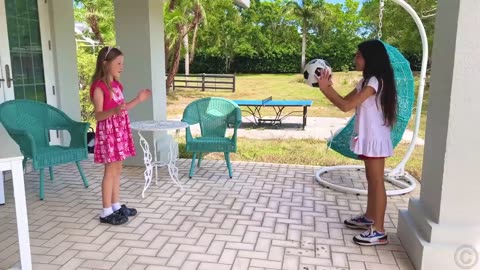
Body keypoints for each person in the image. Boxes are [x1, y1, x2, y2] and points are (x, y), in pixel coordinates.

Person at [317, 39, 397, 246]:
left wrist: (325, 89)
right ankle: (370, 217)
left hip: (375, 140)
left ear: (370, 59)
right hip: (368, 138)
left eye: (358, 55)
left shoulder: (374, 82)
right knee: (372, 180)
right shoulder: (365, 82)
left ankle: (379, 230)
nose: (355, 58)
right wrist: (329, 88)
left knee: (377, 181)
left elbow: (346, 106)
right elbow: (344, 100)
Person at [90, 46, 152, 225]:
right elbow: (99, 115)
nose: (121, 66)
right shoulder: (99, 88)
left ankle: (116, 205)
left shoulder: (117, 85)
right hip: (109, 133)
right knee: (110, 171)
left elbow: (122, 109)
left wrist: (138, 100)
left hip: (120, 131)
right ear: (105, 64)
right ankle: (106, 211)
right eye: (118, 63)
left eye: (122, 63)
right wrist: (114, 110)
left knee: (117, 169)